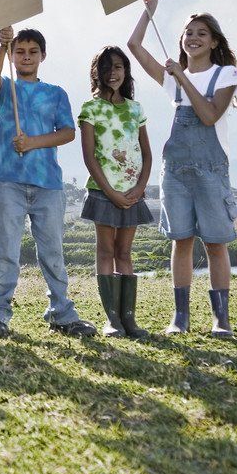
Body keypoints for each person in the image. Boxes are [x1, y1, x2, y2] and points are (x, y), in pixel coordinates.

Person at [127, 0, 237, 336]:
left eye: (201, 34)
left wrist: (183, 79)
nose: (193, 38)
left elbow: (208, 116)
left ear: (214, 42)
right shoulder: (172, 76)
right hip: (175, 171)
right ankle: (181, 317)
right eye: (188, 33)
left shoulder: (226, 75)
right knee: (181, 242)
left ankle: (221, 319)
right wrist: (150, 10)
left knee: (215, 244)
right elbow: (133, 46)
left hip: (210, 171)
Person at [0, 27, 97, 338]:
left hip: (47, 183)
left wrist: (32, 142)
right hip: (10, 181)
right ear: (12, 56)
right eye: (20, 52)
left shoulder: (55, 93)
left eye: (33, 52)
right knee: (6, 249)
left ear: (42, 56)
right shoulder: (6, 87)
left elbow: (68, 132)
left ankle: (62, 313)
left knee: (52, 251)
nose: (27, 57)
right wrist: (1, 47)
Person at [77, 46, 153, 338]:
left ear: (126, 71)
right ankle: (112, 320)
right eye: (107, 68)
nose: (113, 73)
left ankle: (129, 319)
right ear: (97, 73)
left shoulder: (136, 109)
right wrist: (110, 192)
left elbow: (146, 153)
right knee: (106, 251)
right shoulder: (91, 109)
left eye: (119, 67)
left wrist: (139, 188)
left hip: (132, 193)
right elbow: (89, 157)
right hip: (103, 192)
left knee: (125, 252)